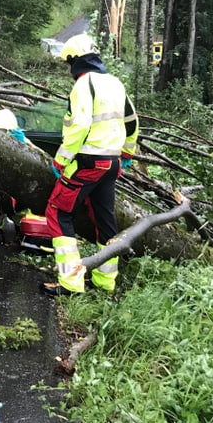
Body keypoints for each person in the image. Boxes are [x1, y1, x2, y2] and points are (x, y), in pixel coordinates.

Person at [41, 33, 139, 297]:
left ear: (75, 61)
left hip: (88, 162)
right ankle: (105, 283)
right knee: (104, 221)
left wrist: (61, 160)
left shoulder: (84, 86)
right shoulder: (115, 83)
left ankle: (70, 283)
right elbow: (132, 122)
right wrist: (127, 153)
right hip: (111, 164)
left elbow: (79, 126)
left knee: (57, 212)